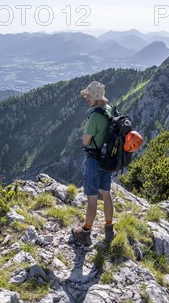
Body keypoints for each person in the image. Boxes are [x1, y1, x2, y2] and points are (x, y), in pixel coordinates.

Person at [72, 81, 115, 246]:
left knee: (92, 200)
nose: (86, 98)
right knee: (106, 193)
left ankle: (86, 232)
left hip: (94, 161)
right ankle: (109, 229)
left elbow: (86, 141)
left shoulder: (95, 116)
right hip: (108, 159)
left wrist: (87, 132)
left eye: (88, 96)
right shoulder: (109, 109)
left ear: (95, 98)